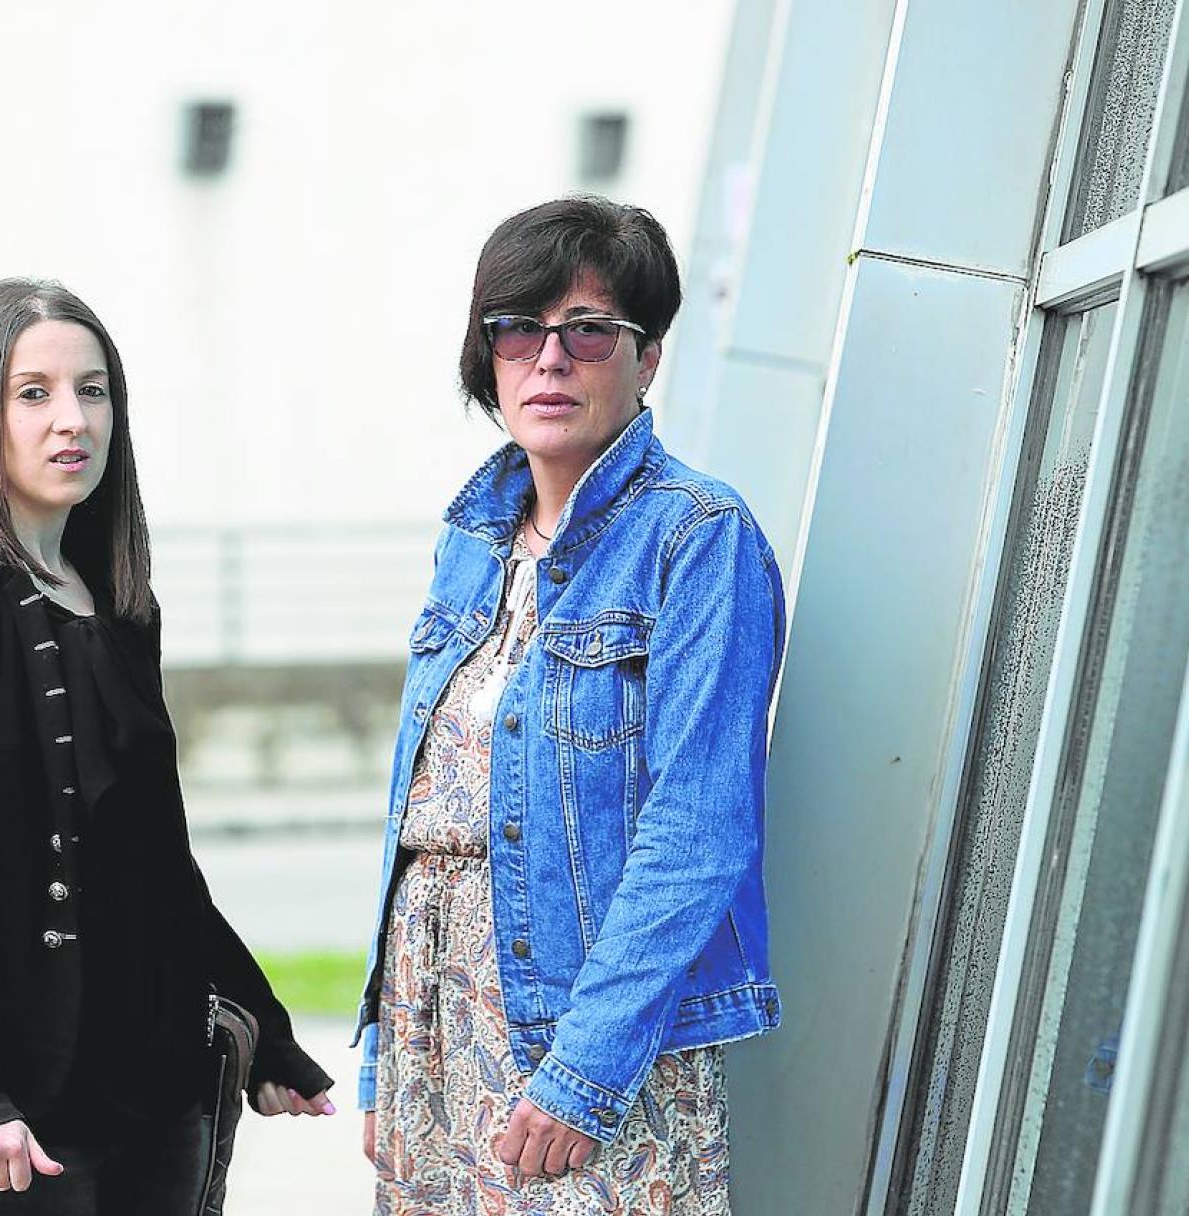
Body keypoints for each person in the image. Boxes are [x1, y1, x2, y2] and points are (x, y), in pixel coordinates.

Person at [0, 279, 336, 1215]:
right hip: (11, 1124)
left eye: (93, 390)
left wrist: (260, 1026)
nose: (72, 419)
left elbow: (155, 863)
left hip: (151, 1093)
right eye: (34, 393)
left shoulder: (115, 599)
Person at [353, 197, 786, 1215]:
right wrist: (383, 1050)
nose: (550, 360)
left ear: (649, 359)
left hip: (578, 1028)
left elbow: (696, 828)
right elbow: (414, 809)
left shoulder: (698, 538)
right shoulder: (472, 538)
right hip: (432, 1010)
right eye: (517, 331)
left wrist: (583, 1073)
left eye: (589, 329)